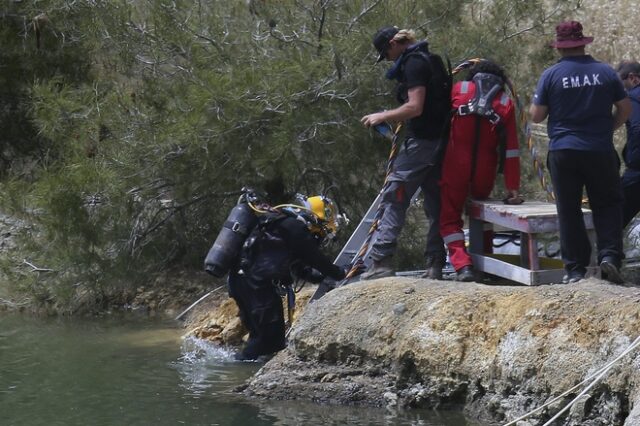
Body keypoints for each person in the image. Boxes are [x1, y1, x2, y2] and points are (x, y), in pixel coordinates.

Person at [530, 21, 631, 284]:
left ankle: (575, 270)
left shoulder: (550, 75)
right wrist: (609, 127)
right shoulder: (606, 73)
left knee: (568, 209)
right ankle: (609, 256)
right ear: (583, 43)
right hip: (599, 149)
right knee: (608, 204)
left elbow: (537, 116)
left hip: (563, 151)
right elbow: (625, 108)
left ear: (560, 47)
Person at [360, 26, 449, 280]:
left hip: (421, 143)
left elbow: (415, 106)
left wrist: (383, 115)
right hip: (440, 142)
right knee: (435, 203)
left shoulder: (413, 64)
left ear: (393, 44)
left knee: (394, 197)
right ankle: (435, 265)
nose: (387, 59)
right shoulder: (431, 59)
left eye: (385, 54)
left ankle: (382, 261)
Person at [228, 194, 346, 360]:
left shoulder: (280, 225)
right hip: (257, 287)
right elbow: (316, 259)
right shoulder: (295, 228)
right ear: (317, 219)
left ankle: (243, 365)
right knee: (267, 341)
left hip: (241, 283)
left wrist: (322, 278)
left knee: (264, 338)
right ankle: (240, 371)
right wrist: (341, 273)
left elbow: (300, 269)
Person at [439, 60, 521, 282]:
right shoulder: (505, 102)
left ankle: (462, 265)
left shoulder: (458, 90)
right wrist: (512, 186)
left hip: (455, 162)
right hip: (485, 168)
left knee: (449, 218)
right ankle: (485, 265)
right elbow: (511, 148)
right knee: (481, 213)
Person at [616, 61, 640, 229]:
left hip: (637, 174)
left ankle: (608, 255)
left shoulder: (633, 97)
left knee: (614, 218)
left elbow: (638, 128)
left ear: (633, 79)